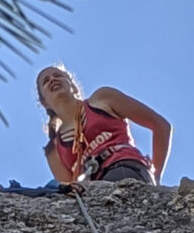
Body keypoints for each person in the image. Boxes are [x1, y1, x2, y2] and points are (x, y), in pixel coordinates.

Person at [36, 64, 170, 187]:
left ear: (73, 85)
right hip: (92, 189)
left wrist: (156, 177)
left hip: (124, 167)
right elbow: (69, 190)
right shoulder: (54, 150)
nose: (53, 80)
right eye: (46, 81)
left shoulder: (102, 99)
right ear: (44, 102)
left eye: (58, 75)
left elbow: (160, 126)